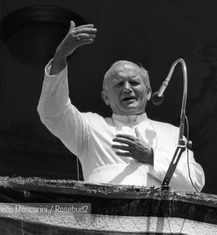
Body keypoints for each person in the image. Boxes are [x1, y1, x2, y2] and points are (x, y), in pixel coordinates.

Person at [37, 21, 205, 191]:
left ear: (148, 92)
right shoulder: (91, 128)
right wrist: (60, 55)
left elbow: (195, 182)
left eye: (134, 82)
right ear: (106, 97)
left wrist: (151, 157)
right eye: (118, 84)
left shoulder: (173, 134)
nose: (127, 88)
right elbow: (53, 111)